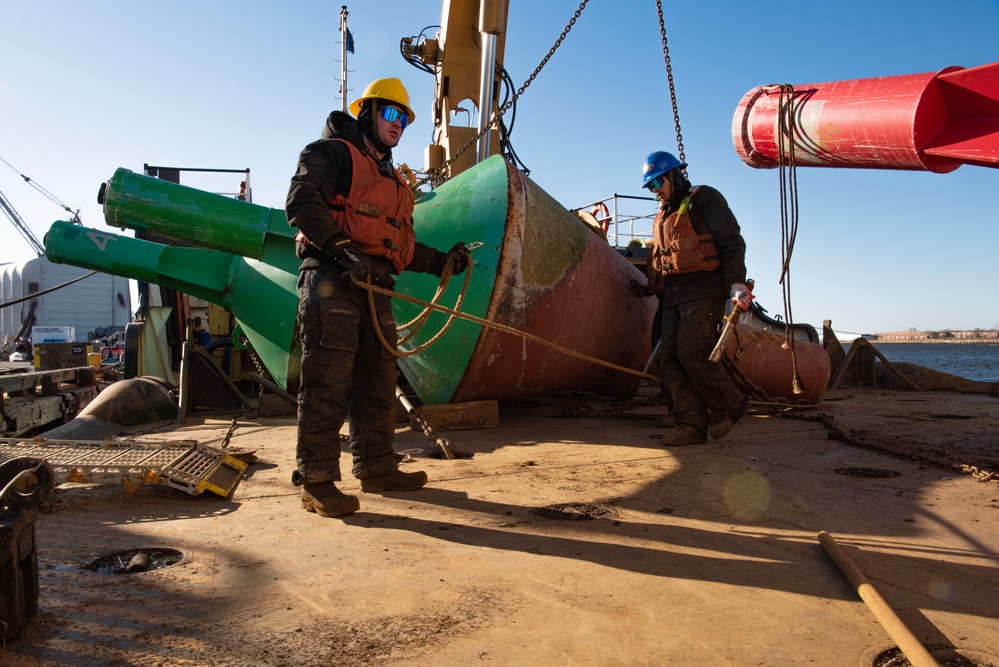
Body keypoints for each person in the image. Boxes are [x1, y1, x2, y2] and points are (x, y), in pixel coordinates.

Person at [286, 77, 468, 517]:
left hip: (375, 288)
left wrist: (441, 261)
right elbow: (302, 202)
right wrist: (340, 247)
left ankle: (377, 467)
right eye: (389, 114)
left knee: (378, 381)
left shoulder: (391, 179)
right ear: (366, 113)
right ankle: (316, 480)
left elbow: (398, 245)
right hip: (332, 280)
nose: (398, 124)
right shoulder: (328, 153)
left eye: (404, 118)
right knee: (327, 381)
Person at [636, 151, 751, 446]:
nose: (655, 190)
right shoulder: (665, 214)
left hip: (705, 288)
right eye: (650, 186)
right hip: (675, 293)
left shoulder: (704, 199)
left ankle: (731, 403)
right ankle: (691, 425)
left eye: (658, 182)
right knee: (670, 359)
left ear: (675, 175)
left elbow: (731, 241)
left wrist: (737, 282)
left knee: (694, 352)